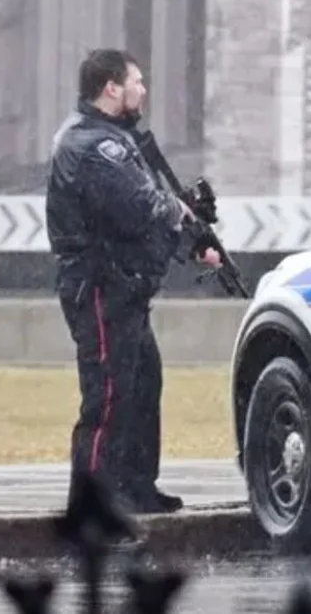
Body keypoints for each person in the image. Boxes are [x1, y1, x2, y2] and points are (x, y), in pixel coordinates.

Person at [46, 49, 222, 515]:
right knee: (107, 395)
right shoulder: (92, 145)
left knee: (143, 384)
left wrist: (193, 244)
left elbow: (147, 211)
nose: (143, 90)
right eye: (136, 82)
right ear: (111, 87)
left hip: (124, 289)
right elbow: (141, 207)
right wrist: (179, 210)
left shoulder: (112, 138)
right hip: (101, 289)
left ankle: (135, 487)